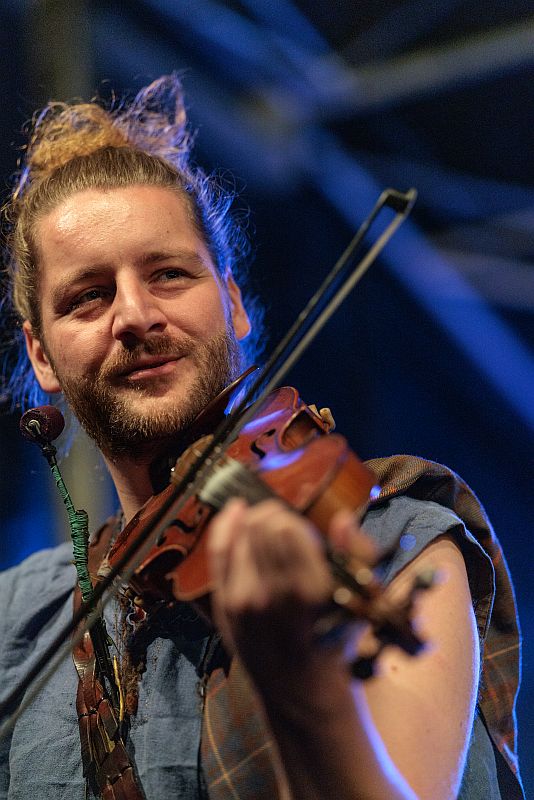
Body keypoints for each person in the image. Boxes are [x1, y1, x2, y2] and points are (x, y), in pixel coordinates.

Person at [0, 74, 524, 800]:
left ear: (233, 303)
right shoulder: (19, 620)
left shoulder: (387, 533)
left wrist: (300, 681)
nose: (135, 315)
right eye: (89, 296)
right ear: (41, 355)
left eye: (169, 274)